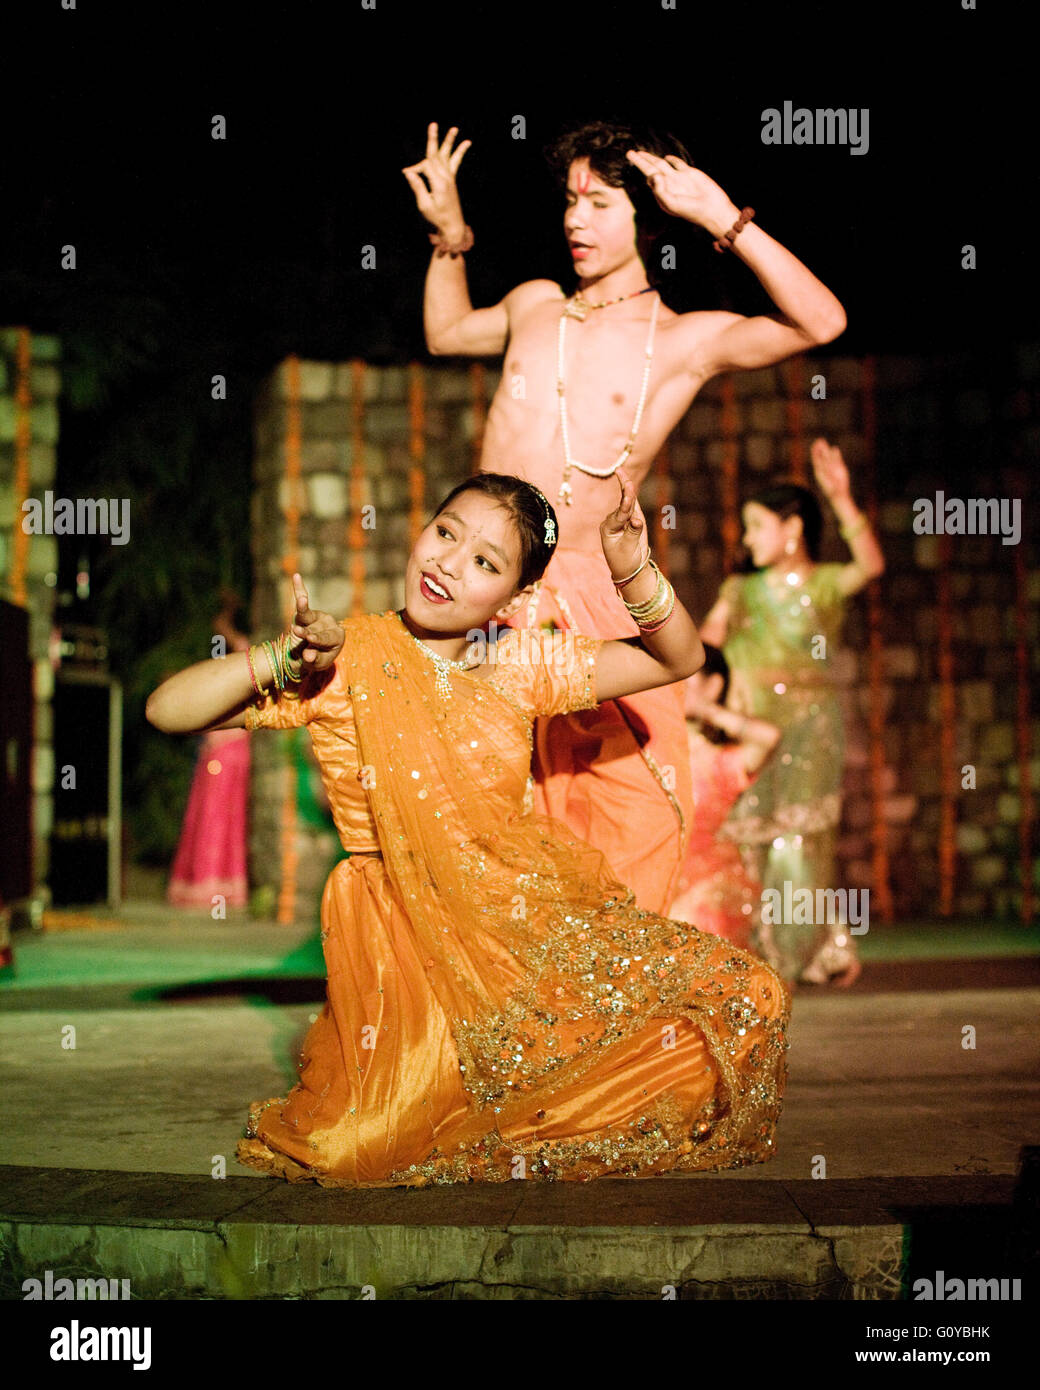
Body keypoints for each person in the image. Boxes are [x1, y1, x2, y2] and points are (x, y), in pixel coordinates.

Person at [147, 473, 789, 1186]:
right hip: (396, 939)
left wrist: (629, 566)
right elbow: (168, 710)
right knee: (358, 1148)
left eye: (485, 561)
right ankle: (490, 1094)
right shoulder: (344, 658)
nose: (449, 563)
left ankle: (524, 1094)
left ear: (515, 598)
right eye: (446, 533)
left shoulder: (523, 666)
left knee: (745, 999)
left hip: (513, 920)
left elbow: (679, 659)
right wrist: (281, 660)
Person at [402, 119, 847, 915]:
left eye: (600, 203)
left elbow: (822, 321)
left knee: (626, 816)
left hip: (597, 603)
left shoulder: (678, 341)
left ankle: (605, 1007)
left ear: (646, 219)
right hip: (490, 596)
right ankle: (494, 1010)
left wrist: (722, 218)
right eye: (570, 201)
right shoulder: (536, 305)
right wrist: (450, 239)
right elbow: (444, 331)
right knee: (483, 812)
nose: (575, 220)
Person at [699, 439, 885, 985]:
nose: (748, 539)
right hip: (753, 723)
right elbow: (705, 643)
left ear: (792, 529)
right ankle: (768, 945)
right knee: (750, 832)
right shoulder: (739, 589)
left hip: (810, 727)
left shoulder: (824, 584)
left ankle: (798, 949)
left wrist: (842, 499)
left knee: (797, 838)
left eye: (757, 526)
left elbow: (870, 564)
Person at [669, 646, 780, 950]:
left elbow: (768, 738)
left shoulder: (720, 761)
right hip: (653, 872)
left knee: (687, 927)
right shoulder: (645, 750)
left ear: (714, 685)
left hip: (707, 880)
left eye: (682, 682)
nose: (671, 690)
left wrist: (707, 709)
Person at [166, 591, 251, 909]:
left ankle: (211, 886)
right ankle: (206, 885)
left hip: (229, 749)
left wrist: (227, 609)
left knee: (219, 816)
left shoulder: (245, 656)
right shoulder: (230, 661)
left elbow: (225, 629)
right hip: (223, 748)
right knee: (210, 813)